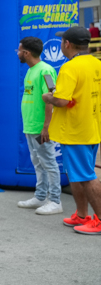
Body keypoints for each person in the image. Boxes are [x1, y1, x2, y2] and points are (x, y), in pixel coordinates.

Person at [43, 27, 101, 234]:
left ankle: (100, 219)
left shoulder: (70, 67)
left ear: (67, 44)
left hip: (75, 131)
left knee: (85, 176)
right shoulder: (97, 63)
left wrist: (48, 97)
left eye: (62, 41)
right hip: (92, 127)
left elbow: (61, 100)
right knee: (78, 174)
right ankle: (82, 214)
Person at [16, 37, 62, 215]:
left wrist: (46, 127)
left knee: (49, 163)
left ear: (26, 53)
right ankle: (41, 196)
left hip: (39, 127)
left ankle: (56, 201)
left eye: (19, 50)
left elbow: (51, 98)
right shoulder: (31, 70)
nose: (17, 53)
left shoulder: (46, 70)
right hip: (30, 126)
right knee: (38, 163)